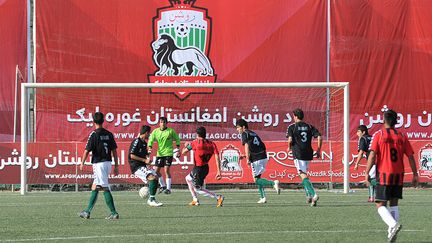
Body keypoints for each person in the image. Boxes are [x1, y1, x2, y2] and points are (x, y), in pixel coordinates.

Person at [365, 109, 418, 242]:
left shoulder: (379, 134)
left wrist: (366, 172)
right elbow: (410, 156)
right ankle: (391, 232)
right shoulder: (402, 136)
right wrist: (415, 174)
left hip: (384, 174)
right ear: (396, 121)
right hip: (398, 174)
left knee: (380, 204)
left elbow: (372, 155)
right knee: (394, 204)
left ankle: (393, 225)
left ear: (383, 120)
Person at [79, 112, 119, 220]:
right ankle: (87, 211)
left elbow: (87, 150)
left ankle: (114, 212)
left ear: (93, 121)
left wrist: (82, 162)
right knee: (95, 186)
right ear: (103, 121)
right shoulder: (109, 134)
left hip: (99, 164)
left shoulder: (94, 134)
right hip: (108, 163)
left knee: (104, 188)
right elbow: (114, 151)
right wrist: (116, 166)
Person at [236, 119, 280, 204]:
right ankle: (263, 197)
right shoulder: (253, 133)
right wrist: (246, 156)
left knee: (256, 180)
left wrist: (248, 159)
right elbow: (260, 146)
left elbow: (246, 145)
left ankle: (273, 183)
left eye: (238, 127)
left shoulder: (245, 133)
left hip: (256, 159)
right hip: (262, 156)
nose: (237, 129)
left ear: (243, 127)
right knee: (258, 177)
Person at [286, 108, 322, 206]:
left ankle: (314, 194)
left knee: (302, 174)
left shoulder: (292, 127)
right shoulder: (309, 126)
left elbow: (289, 140)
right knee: (304, 174)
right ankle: (309, 196)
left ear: (296, 116)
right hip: (308, 153)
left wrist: (289, 148)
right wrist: (318, 150)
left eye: (293, 116)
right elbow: (319, 136)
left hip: (298, 153)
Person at [181, 126, 224, 207]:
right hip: (205, 167)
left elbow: (183, 152)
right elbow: (217, 156)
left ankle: (218, 197)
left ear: (197, 134)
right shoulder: (212, 144)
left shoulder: (195, 142)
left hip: (198, 169)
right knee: (188, 179)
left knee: (198, 189)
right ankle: (195, 200)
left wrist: (186, 145)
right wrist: (219, 171)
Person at [128, 125, 163, 207]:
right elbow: (131, 156)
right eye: (149, 133)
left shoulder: (144, 143)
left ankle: (152, 198)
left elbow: (145, 157)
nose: (149, 135)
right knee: (152, 177)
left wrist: (148, 159)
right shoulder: (137, 141)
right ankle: (151, 200)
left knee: (156, 176)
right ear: (146, 133)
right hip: (136, 166)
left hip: (142, 165)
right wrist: (144, 160)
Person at [148, 117, 181, 194]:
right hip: (160, 154)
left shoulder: (170, 131)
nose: (162, 124)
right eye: (161, 122)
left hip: (168, 153)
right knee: (156, 171)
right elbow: (151, 140)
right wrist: (150, 147)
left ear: (166, 123)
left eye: (164, 122)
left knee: (166, 170)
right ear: (159, 123)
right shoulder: (155, 131)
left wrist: (178, 148)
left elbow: (177, 139)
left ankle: (168, 189)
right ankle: (163, 186)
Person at [354, 125, 376, 202]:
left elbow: (361, 152)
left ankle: (372, 197)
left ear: (363, 132)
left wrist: (357, 163)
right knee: (373, 178)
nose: (357, 133)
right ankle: (373, 196)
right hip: (379, 159)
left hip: (373, 161)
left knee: (370, 178)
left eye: (358, 131)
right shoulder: (372, 137)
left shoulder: (363, 138)